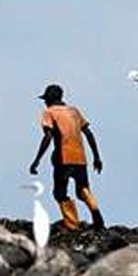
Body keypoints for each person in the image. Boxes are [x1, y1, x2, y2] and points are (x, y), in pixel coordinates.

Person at [28, 84, 105, 230]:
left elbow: (48, 137)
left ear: (50, 99)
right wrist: (96, 157)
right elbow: (88, 133)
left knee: (60, 192)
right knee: (83, 189)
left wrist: (36, 160)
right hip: (81, 158)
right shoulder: (74, 111)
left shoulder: (49, 112)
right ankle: (95, 211)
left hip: (63, 158)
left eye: (45, 99)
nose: (45, 102)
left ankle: (72, 224)